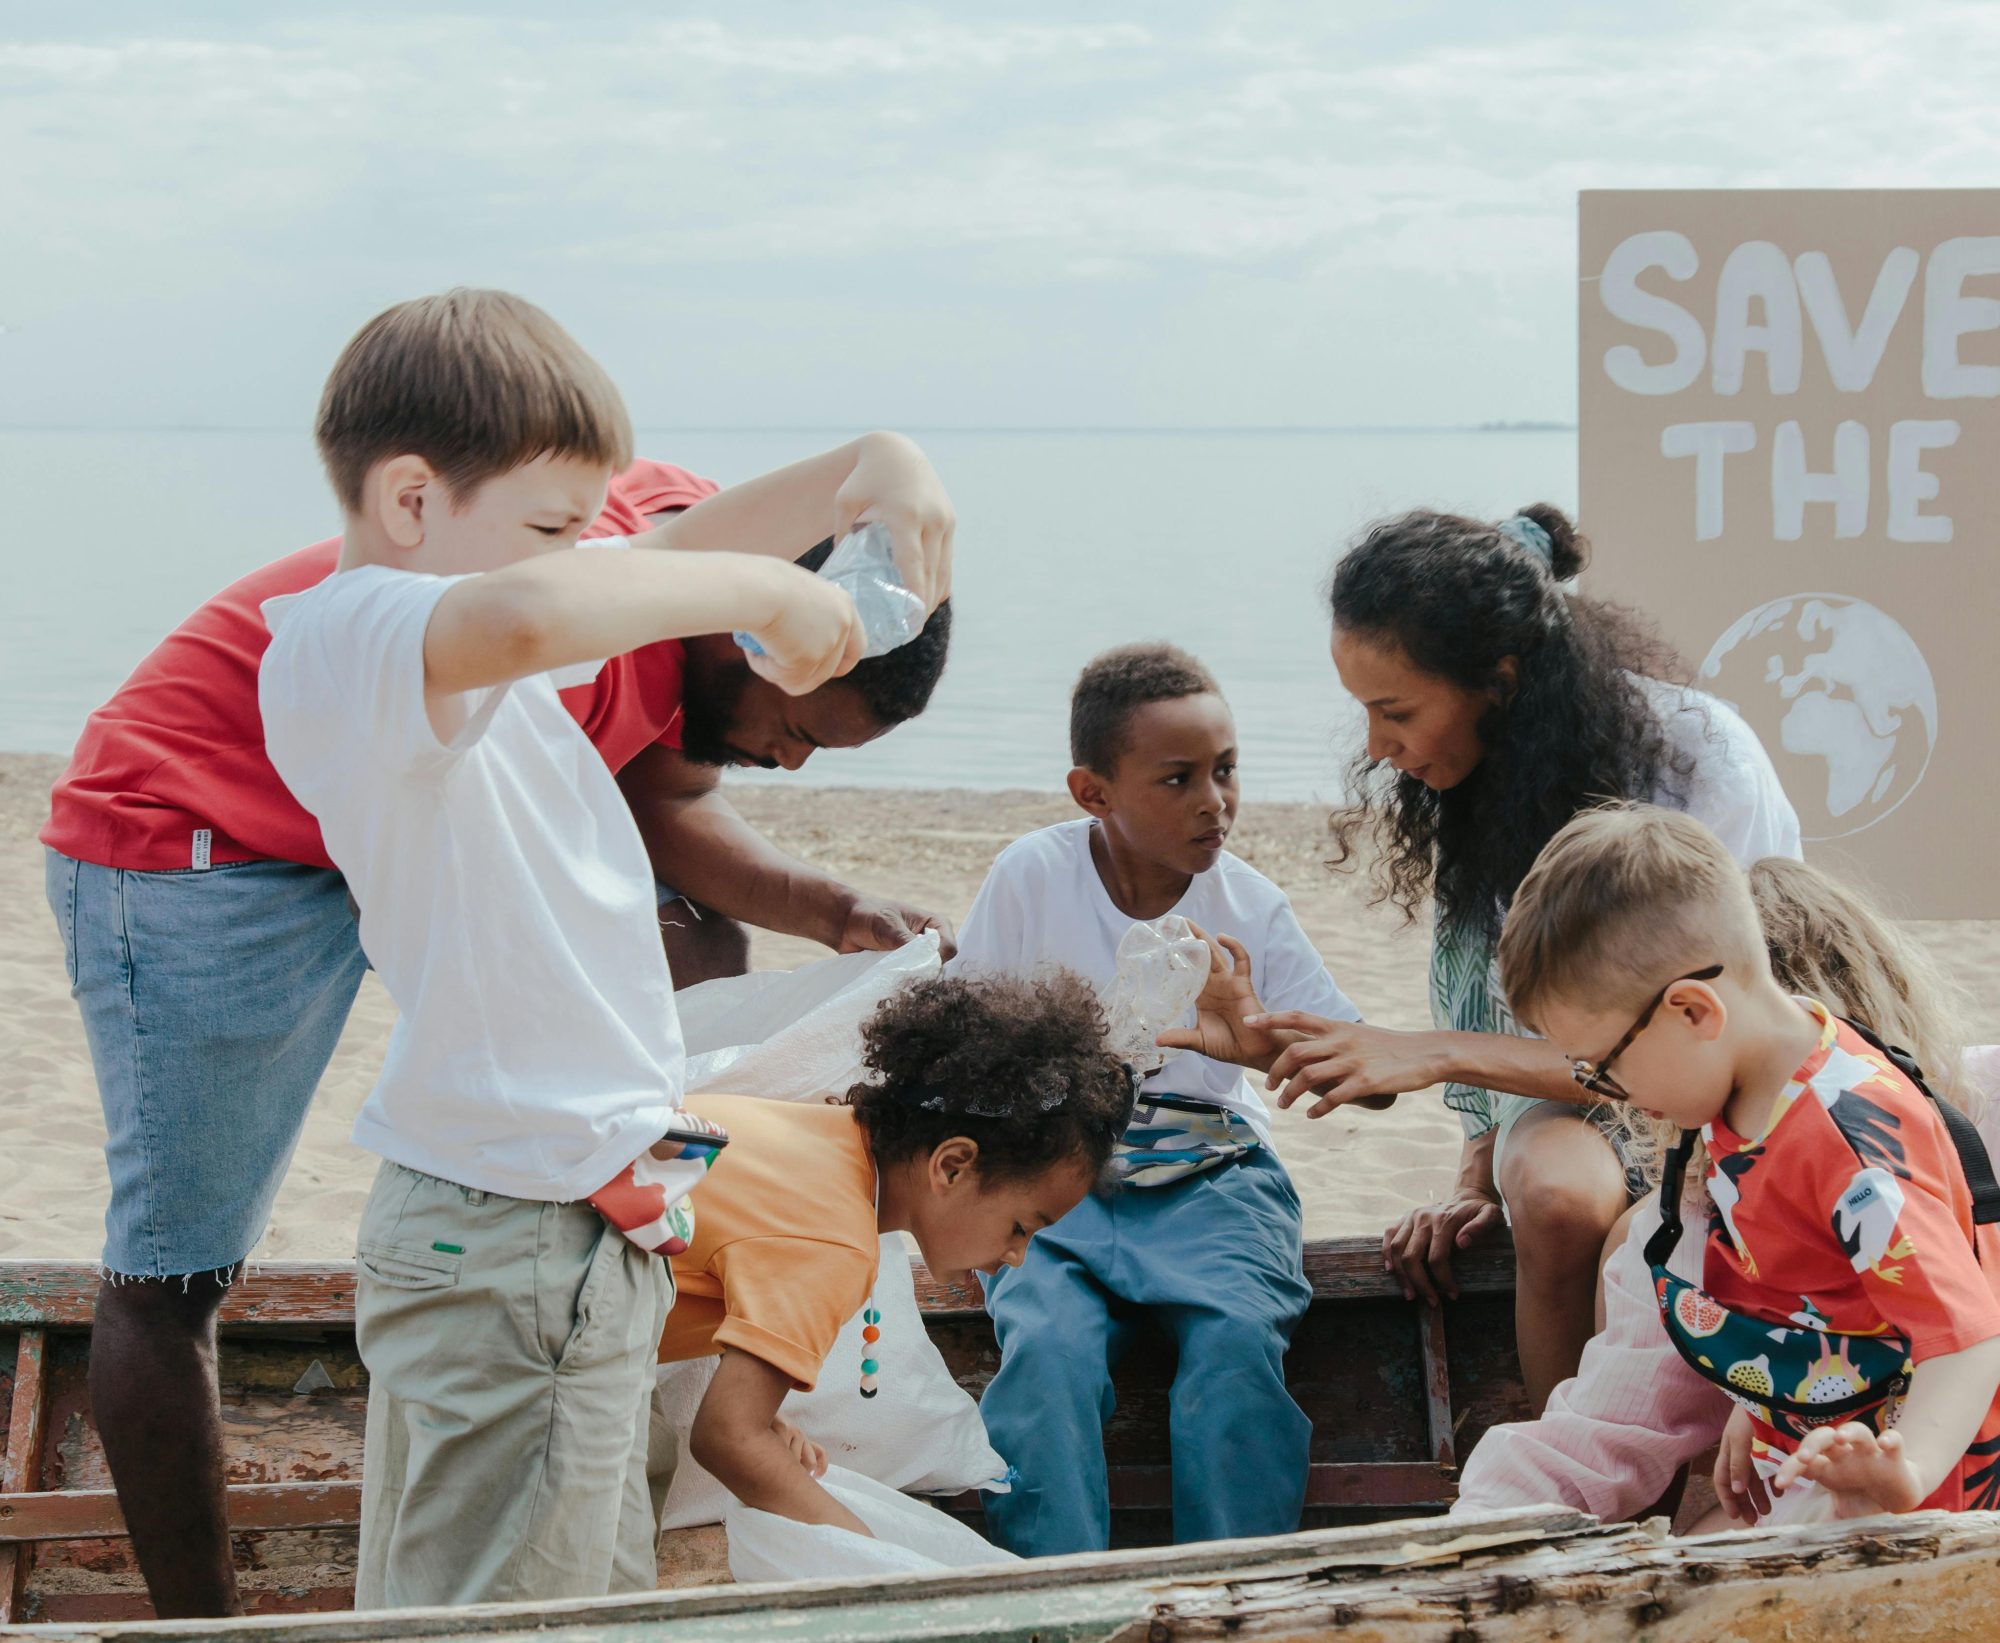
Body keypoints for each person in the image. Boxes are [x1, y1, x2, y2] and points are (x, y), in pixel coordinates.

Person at [43, 433, 954, 1611]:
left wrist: (828, 908)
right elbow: (567, 643)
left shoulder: (682, 558)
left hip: (372, 829)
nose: (787, 763)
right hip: (201, 840)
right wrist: (790, 571)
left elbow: (663, 794)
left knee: (696, 951)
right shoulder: (559, 620)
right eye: (802, 729)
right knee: (176, 1272)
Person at [253, 286, 895, 1609]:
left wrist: (864, 475)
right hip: (510, 1239)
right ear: (413, 500)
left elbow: (625, 569)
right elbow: (544, 609)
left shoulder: (468, 664)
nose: (582, 552)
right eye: (552, 524)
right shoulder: (356, 641)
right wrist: (765, 591)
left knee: (579, 1622)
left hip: (571, 1230)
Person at [1456, 854, 2000, 1523]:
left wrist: (1883, 1371)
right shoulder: (1699, 1198)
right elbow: (1601, 1431)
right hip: (1870, 1503)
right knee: (1717, 1579)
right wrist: (1462, 1534)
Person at [1248, 504, 1801, 1402]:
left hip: (1738, 1098)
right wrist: (1476, 1178)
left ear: (1500, 681)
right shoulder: (1485, 779)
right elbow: (1480, 996)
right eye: (1365, 713)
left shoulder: (1703, 765)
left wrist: (1434, 1056)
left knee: (1651, 1234)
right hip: (1587, 1097)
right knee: (1551, 1193)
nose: (1378, 748)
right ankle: (1566, 1476)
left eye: (1396, 712)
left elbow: (1709, 1045)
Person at [1475, 804, 2000, 1523]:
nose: (1609, 1095)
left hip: (1936, 1502)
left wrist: (1906, 1470)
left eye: (1605, 1066)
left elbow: (1970, 1339)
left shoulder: (1846, 1139)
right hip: (1834, 1463)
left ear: (1693, 1011)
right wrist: (1768, 1400)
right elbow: (1817, 1290)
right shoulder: (1746, 1092)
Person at [953, 643, 1388, 1555]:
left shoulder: (1250, 905)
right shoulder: (1032, 877)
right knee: (1046, 1354)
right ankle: (1054, 1601)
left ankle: (1230, 1591)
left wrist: (1257, 1033)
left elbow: (1367, 1078)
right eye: (1178, 778)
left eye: (1226, 770)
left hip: (1214, 1176)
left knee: (1234, 1352)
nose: (1214, 801)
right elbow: (970, 1047)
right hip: (1057, 1182)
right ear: (1093, 792)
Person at [660, 972, 1130, 1536]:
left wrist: (760, 1412)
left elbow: (715, 1255)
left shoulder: (818, 1132)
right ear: (952, 1166)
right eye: (1021, 1227)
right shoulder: (834, 1241)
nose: (1017, 1257)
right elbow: (726, 1438)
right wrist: (880, 1567)